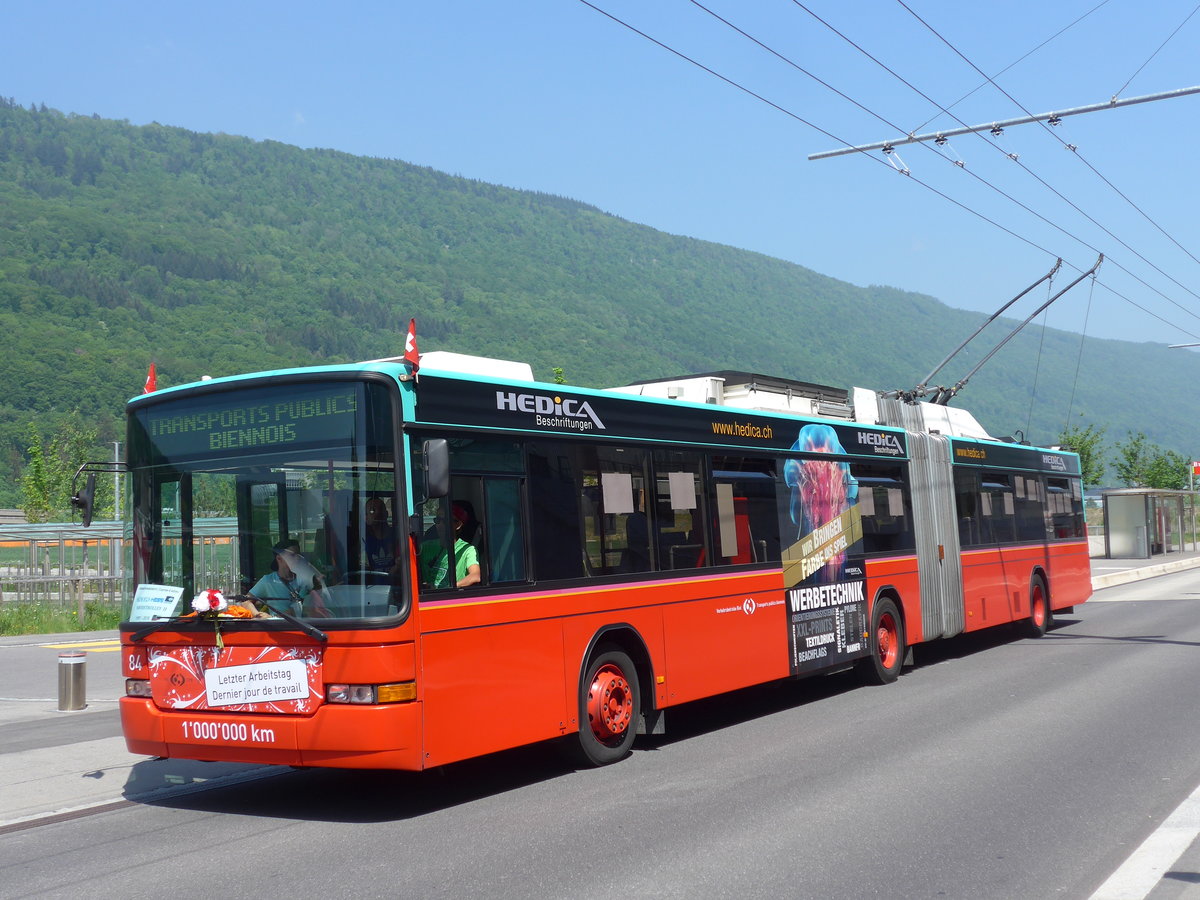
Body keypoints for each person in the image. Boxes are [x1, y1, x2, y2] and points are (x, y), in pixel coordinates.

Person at [245, 538, 332, 617]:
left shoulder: (306, 579)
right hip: (280, 628)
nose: (297, 559)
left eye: (299, 555)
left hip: (307, 628)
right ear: (279, 558)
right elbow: (245, 601)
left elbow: (323, 601)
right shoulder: (268, 581)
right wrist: (257, 615)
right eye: (293, 555)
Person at [419, 501, 481, 589]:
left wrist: (448, 588)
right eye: (437, 520)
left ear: (458, 525)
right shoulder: (424, 547)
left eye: (445, 520)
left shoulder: (467, 550)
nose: (440, 524)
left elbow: (475, 576)